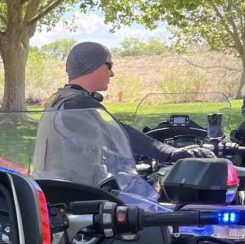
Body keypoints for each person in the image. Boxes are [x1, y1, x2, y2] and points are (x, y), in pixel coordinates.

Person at [33, 41, 213, 190]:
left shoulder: (60, 99)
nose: (112, 73)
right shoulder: (78, 105)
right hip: (79, 196)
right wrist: (171, 153)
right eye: (109, 65)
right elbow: (122, 133)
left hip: (58, 189)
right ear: (94, 66)